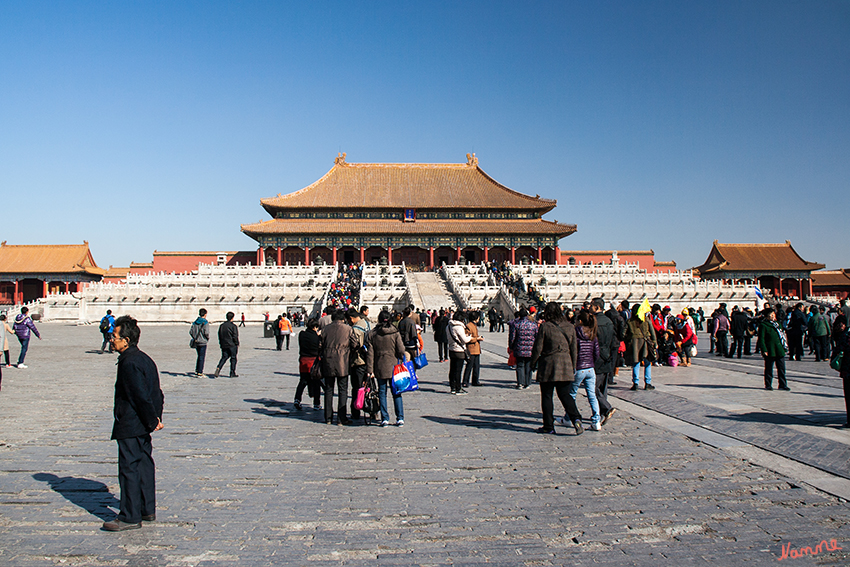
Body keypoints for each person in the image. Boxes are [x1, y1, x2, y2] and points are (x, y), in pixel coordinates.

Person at [102, 315, 164, 532]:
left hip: (131, 423)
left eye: (115, 336)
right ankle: (147, 509)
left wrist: (150, 419)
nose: (111, 340)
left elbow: (139, 395)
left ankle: (129, 516)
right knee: (144, 465)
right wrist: (156, 419)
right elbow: (157, 393)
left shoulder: (129, 362)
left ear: (126, 340)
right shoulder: (145, 359)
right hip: (143, 424)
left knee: (129, 468)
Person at [530, 302, 581, 435]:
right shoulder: (570, 327)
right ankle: (576, 418)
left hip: (548, 365)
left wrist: (532, 363)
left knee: (547, 396)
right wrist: (573, 366)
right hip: (565, 364)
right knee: (565, 394)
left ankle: (548, 426)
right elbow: (574, 349)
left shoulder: (545, 327)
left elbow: (538, 347)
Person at [366, 310, 408, 427]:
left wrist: (370, 370)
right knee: (396, 392)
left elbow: (370, 354)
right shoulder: (395, 332)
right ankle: (400, 418)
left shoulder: (373, 334)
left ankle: (385, 418)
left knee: (382, 393)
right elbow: (401, 350)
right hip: (394, 366)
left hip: (379, 366)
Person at [319, 310, 358, 425]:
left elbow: (320, 345)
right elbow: (355, 344)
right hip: (343, 362)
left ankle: (328, 418)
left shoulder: (325, 329)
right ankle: (341, 418)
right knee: (343, 390)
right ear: (343, 319)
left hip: (328, 362)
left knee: (329, 389)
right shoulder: (348, 329)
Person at [570, 309, 602, 430]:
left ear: (580, 321)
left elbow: (573, 351)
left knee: (572, 394)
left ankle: (569, 418)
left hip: (579, 368)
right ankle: (596, 421)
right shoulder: (592, 334)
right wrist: (591, 362)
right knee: (592, 395)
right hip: (590, 369)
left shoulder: (576, 333)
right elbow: (596, 353)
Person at [591, 298, 618, 425]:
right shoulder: (608, 321)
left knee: (593, 387)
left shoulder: (593, 321)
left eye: (591, 305)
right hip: (607, 355)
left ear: (596, 307)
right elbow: (614, 339)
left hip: (597, 356)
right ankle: (600, 413)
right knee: (603, 387)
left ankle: (606, 408)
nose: (590, 307)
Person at [625, 303, 657, 390]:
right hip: (645, 343)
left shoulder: (629, 321)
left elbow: (625, 333)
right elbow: (652, 332)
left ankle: (635, 383)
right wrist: (654, 342)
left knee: (636, 363)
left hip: (634, 344)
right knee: (647, 363)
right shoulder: (646, 320)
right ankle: (647, 382)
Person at [294, 318, 322, 411]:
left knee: (303, 381)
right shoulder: (316, 337)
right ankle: (316, 404)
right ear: (315, 327)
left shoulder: (302, 334)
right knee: (316, 383)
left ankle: (297, 399)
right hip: (313, 362)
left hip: (303, 361)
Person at [759, 308, 790, 391]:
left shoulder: (778, 324)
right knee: (769, 368)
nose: (772, 316)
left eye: (773, 314)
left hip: (779, 349)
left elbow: (782, 336)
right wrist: (764, 349)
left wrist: (784, 347)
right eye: (770, 315)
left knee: (781, 368)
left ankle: (782, 384)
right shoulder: (763, 325)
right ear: (766, 316)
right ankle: (768, 384)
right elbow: (761, 338)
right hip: (770, 349)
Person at [509, 308, 538, 389]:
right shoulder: (533, 324)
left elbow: (512, 337)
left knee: (520, 365)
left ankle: (520, 383)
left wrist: (511, 346)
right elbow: (537, 336)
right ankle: (527, 382)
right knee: (528, 365)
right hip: (530, 348)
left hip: (519, 348)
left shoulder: (516, 324)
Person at [347, 308, 369, 421]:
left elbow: (356, 346)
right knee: (368, 387)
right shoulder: (367, 323)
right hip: (369, 361)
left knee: (357, 387)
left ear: (351, 318)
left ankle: (356, 411)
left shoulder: (355, 329)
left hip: (358, 361)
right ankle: (371, 408)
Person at [447, 310, 473, 395]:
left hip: (451, 350)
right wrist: (469, 337)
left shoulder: (448, 326)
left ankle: (452, 387)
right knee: (458, 370)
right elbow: (464, 340)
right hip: (459, 351)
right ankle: (458, 388)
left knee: (452, 369)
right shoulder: (459, 327)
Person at [462, 311, 484, 388]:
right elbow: (467, 338)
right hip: (471, 349)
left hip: (477, 349)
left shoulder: (474, 325)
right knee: (469, 366)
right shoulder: (468, 326)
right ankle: (465, 381)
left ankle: (475, 380)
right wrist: (477, 339)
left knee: (476, 366)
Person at [214, 312, 239, 378]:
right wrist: (237, 343)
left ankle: (218, 368)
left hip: (224, 344)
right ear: (232, 318)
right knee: (233, 358)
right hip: (232, 345)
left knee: (224, 357)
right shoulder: (233, 326)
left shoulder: (222, 326)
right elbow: (235, 336)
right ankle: (232, 372)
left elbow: (219, 335)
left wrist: (221, 343)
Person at [189, 309, 210, 377]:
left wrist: (195, 337)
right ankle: (200, 371)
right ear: (205, 314)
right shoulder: (205, 322)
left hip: (196, 341)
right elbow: (206, 332)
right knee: (202, 356)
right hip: (203, 342)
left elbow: (191, 331)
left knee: (199, 356)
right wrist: (207, 338)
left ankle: (197, 370)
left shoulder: (195, 322)